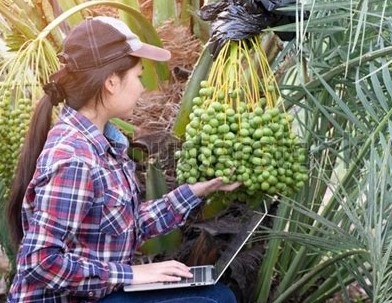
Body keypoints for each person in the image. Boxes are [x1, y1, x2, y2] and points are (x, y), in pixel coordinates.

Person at [5, 16, 241, 303]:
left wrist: (196, 191)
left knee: (218, 295)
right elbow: (39, 263)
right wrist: (130, 274)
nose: (142, 88)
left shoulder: (104, 144)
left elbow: (126, 227)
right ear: (111, 82)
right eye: (139, 76)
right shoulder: (74, 157)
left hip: (99, 293)